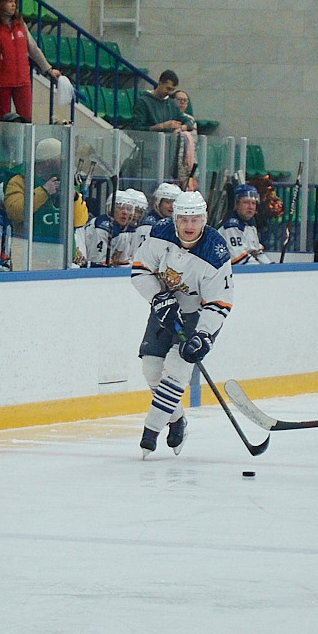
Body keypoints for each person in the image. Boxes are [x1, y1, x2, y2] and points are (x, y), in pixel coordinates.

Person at [128, 190, 234, 456]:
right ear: (175, 219)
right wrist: (158, 297)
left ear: (204, 220)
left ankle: (150, 434)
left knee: (175, 372)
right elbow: (140, 270)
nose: (189, 226)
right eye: (184, 220)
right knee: (152, 370)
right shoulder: (159, 234)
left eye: (195, 220)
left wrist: (202, 335)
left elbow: (219, 302)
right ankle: (177, 421)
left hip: (198, 316)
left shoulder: (216, 252)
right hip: (165, 307)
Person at [76, 187, 150, 268]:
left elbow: (122, 262)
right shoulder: (101, 228)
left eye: (128, 209)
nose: (125, 212)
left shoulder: (123, 230)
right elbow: (98, 263)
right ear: (110, 209)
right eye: (120, 208)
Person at [217, 184, 267, 263]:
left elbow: (258, 252)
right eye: (246, 202)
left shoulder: (250, 225)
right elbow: (240, 260)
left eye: (253, 203)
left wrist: (271, 267)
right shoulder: (230, 227)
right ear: (236, 204)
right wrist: (263, 272)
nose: (250, 207)